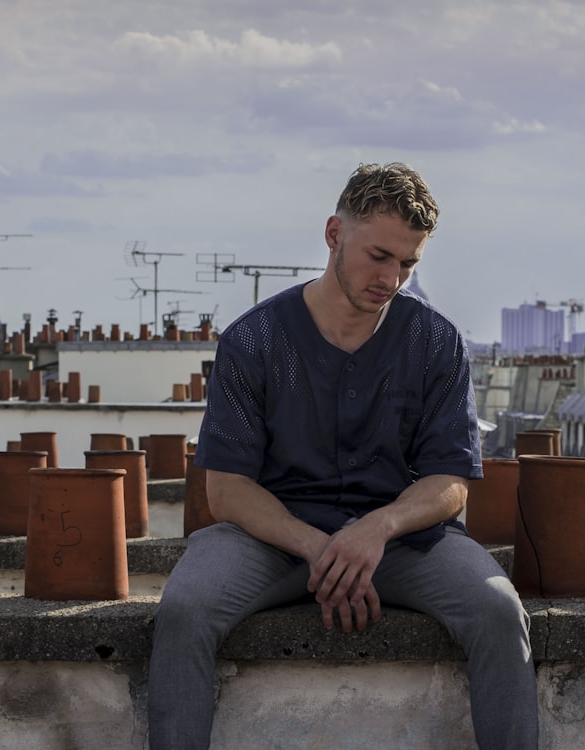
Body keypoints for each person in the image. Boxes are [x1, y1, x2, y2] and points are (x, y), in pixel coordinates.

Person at [148, 162, 538, 749]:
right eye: (379, 255)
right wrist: (323, 549)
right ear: (334, 234)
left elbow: (450, 481)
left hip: (401, 542)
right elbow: (225, 490)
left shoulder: (435, 341)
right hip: (272, 542)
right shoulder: (253, 340)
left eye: (408, 264)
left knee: (498, 611)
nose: (392, 277)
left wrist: (375, 529)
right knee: (183, 611)